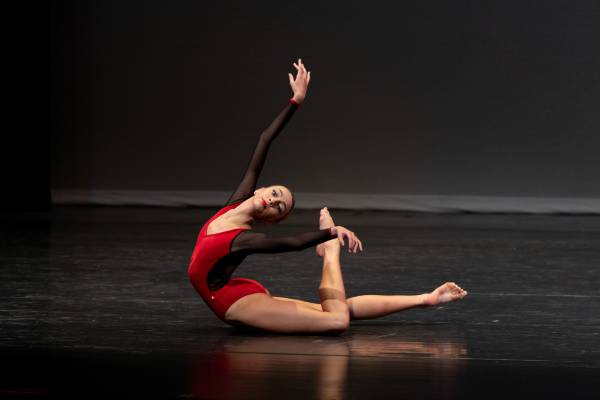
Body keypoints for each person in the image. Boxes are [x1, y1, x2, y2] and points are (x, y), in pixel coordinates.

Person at [188, 59, 467, 334]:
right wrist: (295, 101)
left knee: (336, 319)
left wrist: (330, 236)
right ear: (260, 189)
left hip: (234, 301)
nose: (273, 201)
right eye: (275, 194)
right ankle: (427, 300)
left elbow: (294, 243)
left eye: (278, 207)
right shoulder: (236, 203)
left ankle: (337, 258)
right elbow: (264, 140)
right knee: (334, 310)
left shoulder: (244, 238)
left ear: (271, 220)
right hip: (233, 291)